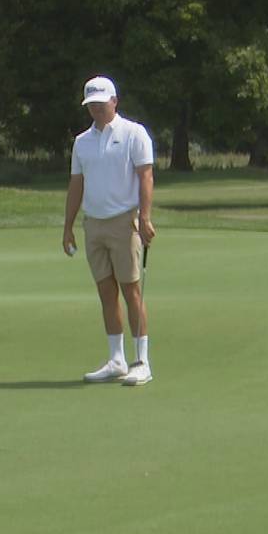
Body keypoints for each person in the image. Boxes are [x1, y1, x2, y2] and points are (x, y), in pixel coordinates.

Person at [62, 75, 156, 386]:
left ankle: (141, 361)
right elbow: (77, 185)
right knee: (106, 291)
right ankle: (116, 359)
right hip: (94, 223)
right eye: (92, 104)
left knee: (131, 290)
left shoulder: (133, 134)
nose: (97, 109)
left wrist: (145, 218)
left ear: (114, 101)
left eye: (102, 103)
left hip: (123, 220)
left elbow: (145, 177)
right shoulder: (82, 142)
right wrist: (68, 227)